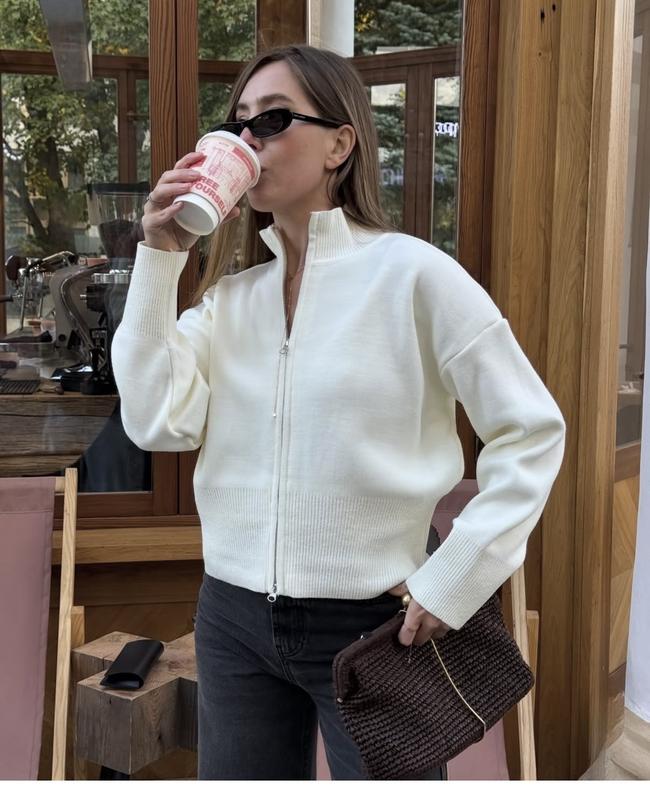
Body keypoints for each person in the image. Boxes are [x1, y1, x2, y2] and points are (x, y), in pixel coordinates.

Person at [111, 44, 566, 780]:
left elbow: (532, 430)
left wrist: (457, 577)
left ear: (340, 144)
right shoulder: (231, 302)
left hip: (373, 623)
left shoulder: (415, 275)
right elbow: (156, 420)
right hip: (233, 618)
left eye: (274, 119)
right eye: (238, 122)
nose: (248, 138)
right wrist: (160, 253)